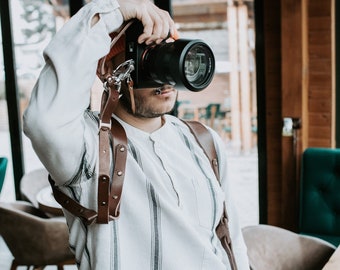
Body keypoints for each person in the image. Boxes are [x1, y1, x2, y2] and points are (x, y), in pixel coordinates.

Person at [23, 0, 250, 269]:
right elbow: (44, 121)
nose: (165, 78)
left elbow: (230, 238)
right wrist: (114, 11)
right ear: (107, 70)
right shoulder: (89, 146)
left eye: (169, 54)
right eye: (148, 58)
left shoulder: (204, 140)